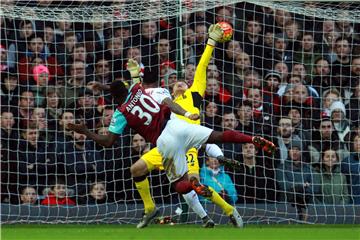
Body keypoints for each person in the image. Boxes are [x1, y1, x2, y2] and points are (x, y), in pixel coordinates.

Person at [69, 24, 275, 229]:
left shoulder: (192, 94)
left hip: (177, 142)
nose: (179, 83)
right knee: (137, 168)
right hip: (174, 133)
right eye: (175, 81)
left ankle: (228, 210)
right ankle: (178, 212)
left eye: (182, 82)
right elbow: (136, 91)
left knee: (186, 180)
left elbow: (200, 67)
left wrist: (210, 44)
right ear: (169, 85)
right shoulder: (156, 93)